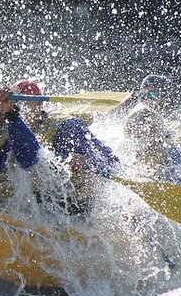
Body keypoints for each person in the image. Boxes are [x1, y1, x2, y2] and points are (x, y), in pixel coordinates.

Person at [9, 79, 119, 214]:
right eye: (15, 105)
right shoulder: (11, 125)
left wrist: (88, 161)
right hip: (38, 200)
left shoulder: (66, 129)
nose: (19, 110)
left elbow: (110, 160)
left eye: (23, 103)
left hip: (75, 203)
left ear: (38, 104)